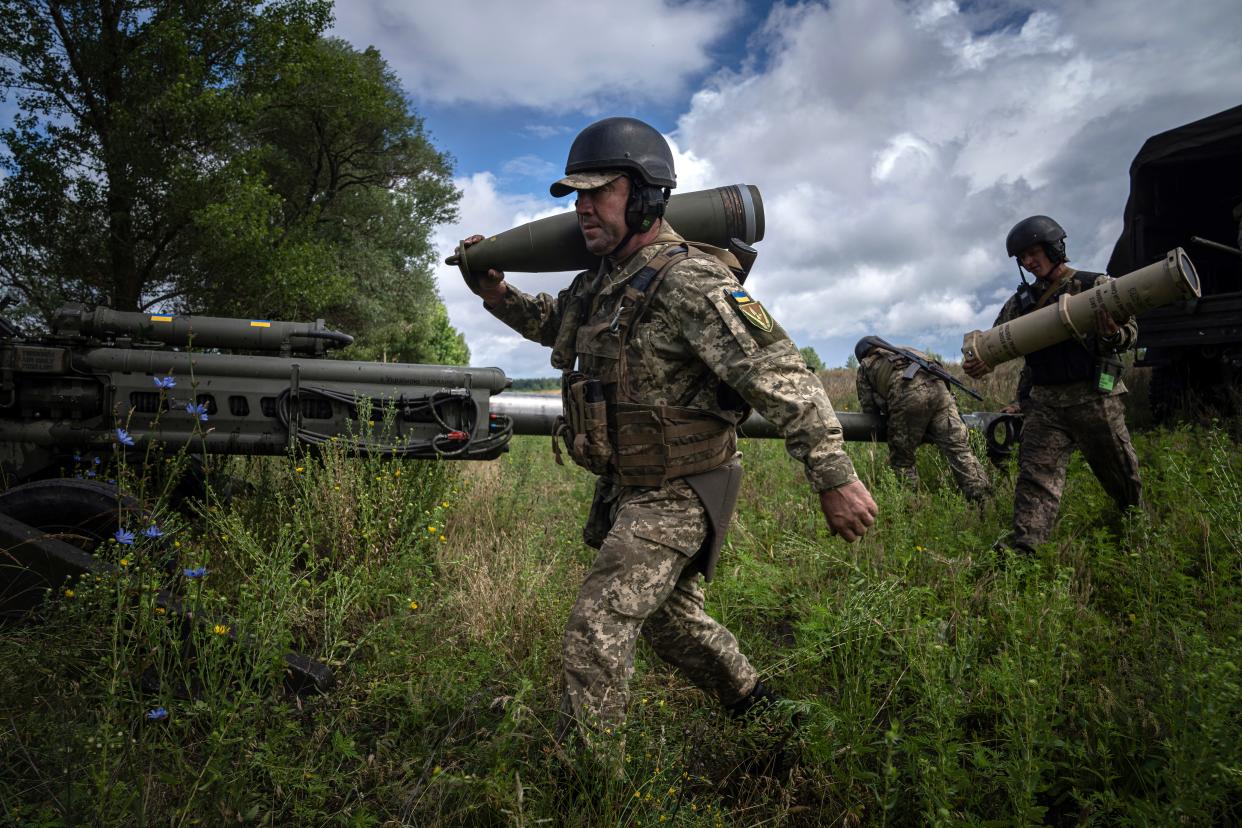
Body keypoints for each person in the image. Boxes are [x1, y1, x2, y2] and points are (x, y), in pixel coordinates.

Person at [459, 116, 877, 746]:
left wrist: (834, 477)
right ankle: (762, 710)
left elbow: (783, 376)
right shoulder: (600, 281)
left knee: (596, 624)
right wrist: (494, 292)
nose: (584, 208)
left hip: (684, 487)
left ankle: (593, 789)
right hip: (631, 485)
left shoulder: (692, 280)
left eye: (600, 191)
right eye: (578, 195)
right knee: (670, 623)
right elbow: (556, 325)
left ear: (649, 195)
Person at [964, 215, 1142, 553]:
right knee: (1035, 478)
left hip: (1095, 397)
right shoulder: (1021, 304)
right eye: (1023, 259)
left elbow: (1131, 332)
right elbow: (995, 341)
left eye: (1033, 253)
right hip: (1045, 404)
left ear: (1054, 248)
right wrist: (980, 361)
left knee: (1121, 474)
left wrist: (1114, 334)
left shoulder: (1095, 285)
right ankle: (1024, 550)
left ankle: (1137, 531)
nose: (1029, 263)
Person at [854, 337, 990, 502]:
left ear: (862, 354)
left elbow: (869, 408)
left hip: (908, 397)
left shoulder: (866, 364)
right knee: (960, 452)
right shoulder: (908, 350)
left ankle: (911, 508)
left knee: (903, 461)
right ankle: (984, 502)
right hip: (941, 392)